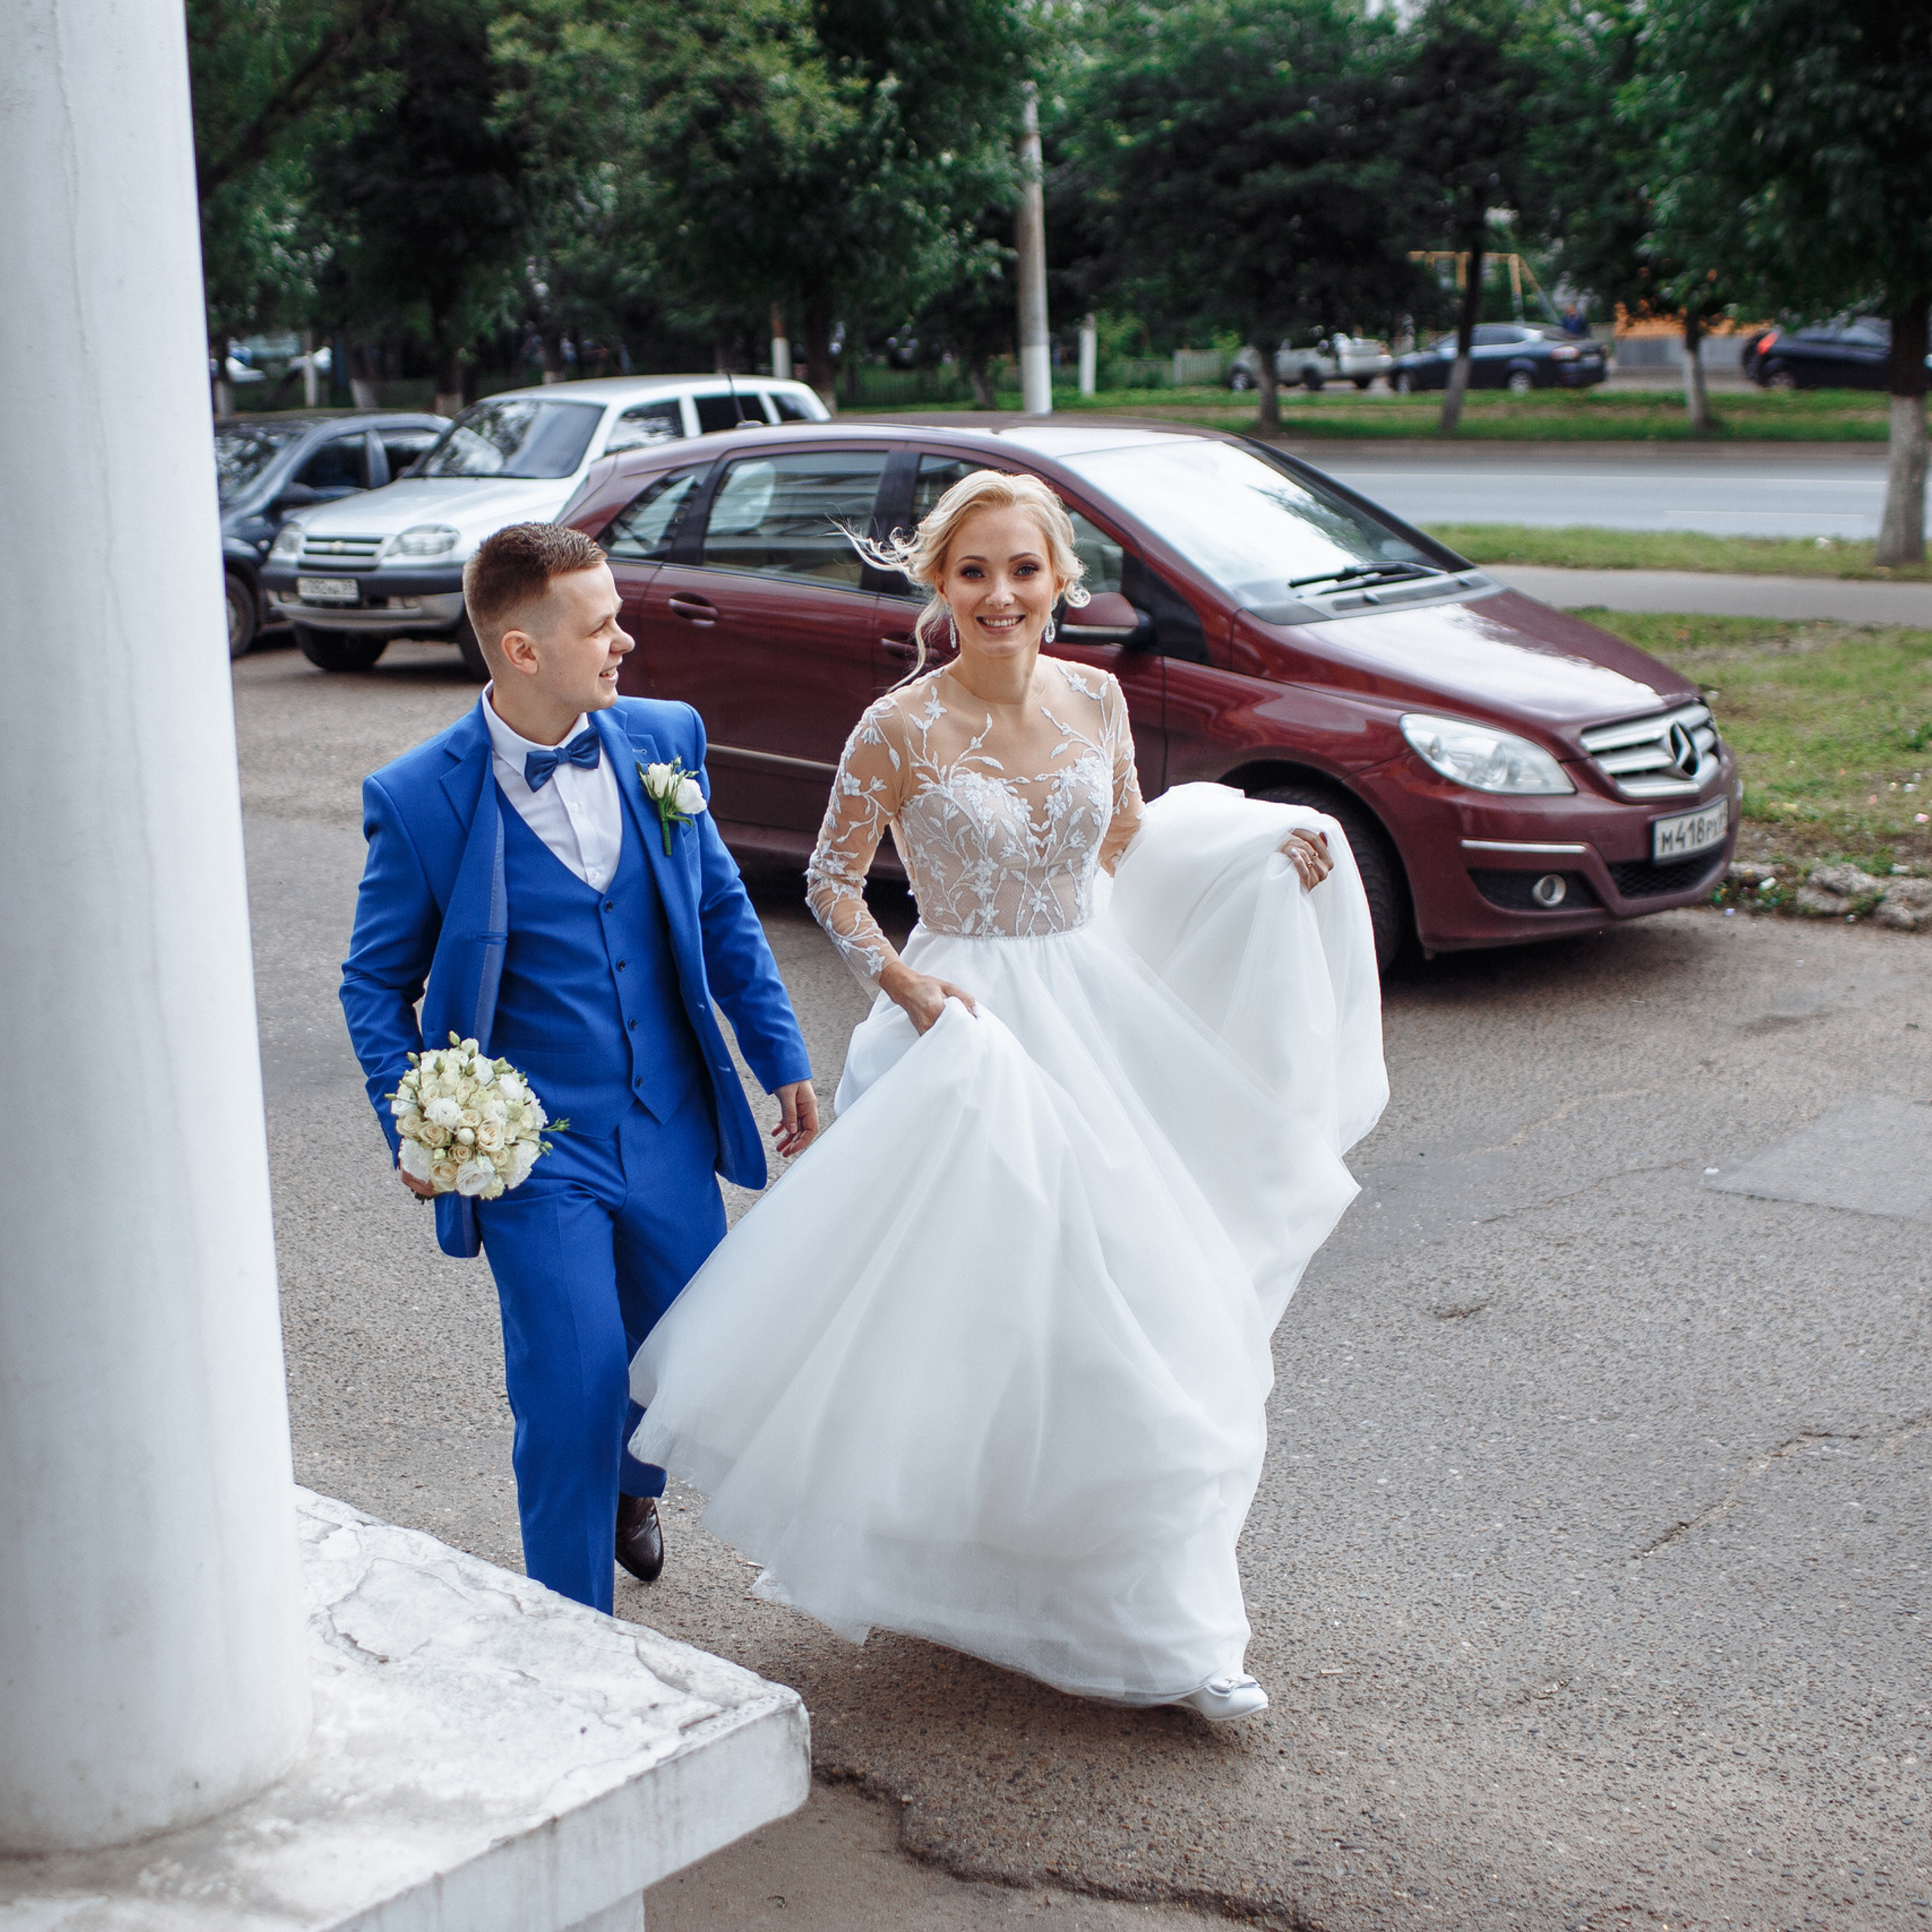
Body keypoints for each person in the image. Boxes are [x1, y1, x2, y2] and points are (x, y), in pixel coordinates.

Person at [630, 472, 1386, 1720]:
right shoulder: (896, 728)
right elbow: (830, 883)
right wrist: (906, 985)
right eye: (973, 571)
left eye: (1023, 569)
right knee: (1003, 1332)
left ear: (1060, 581)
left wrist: (1259, 853)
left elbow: (1129, 845)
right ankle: (1006, 1575)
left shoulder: (1098, 698)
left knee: (1152, 1318)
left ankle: (1175, 1630)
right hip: (967, 1036)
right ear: (939, 584)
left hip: (1096, 1021)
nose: (1000, 594)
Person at [339, 522, 818, 1614]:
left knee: (681, 1356)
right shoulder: (419, 799)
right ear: (523, 651)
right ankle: (568, 1635)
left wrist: (779, 1050)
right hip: (536, 1152)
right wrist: (418, 1123)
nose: (625, 642)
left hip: (668, 1121)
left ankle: (630, 1488)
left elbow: (719, 907)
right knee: (572, 1386)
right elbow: (372, 983)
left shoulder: (663, 738)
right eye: (601, 626)